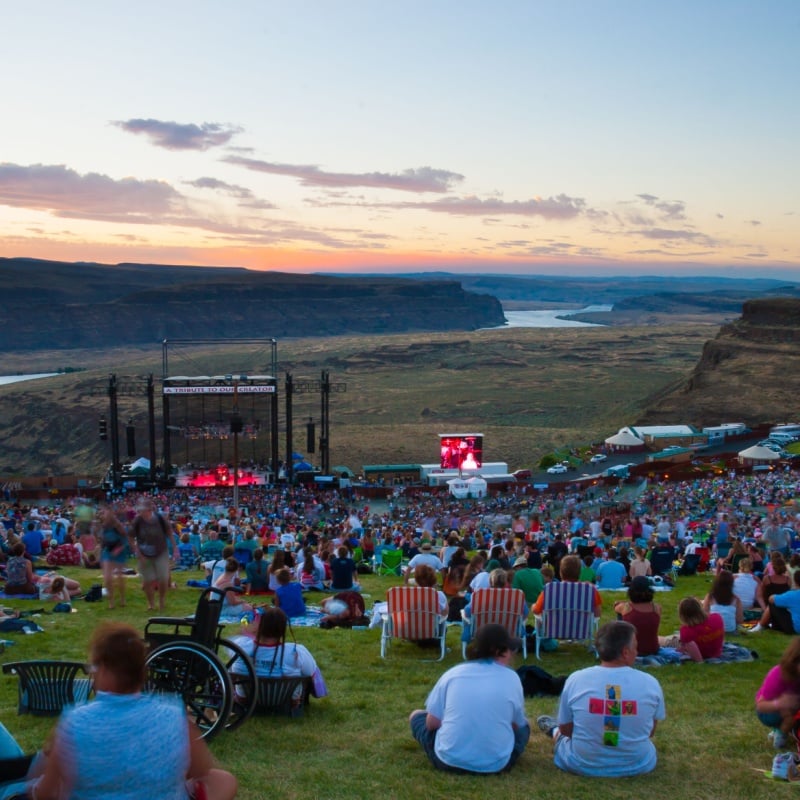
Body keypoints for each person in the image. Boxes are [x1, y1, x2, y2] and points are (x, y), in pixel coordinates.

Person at [27, 621, 237, 800]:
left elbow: (45, 793)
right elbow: (201, 770)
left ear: (105, 670)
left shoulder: (75, 722)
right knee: (223, 780)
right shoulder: (173, 715)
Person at [537, 620, 666, 777]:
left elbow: (566, 729)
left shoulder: (576, 679)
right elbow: (650, 731)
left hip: (582, 763)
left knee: (561, 735)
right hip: (637, 763)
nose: (637, 652)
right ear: (625, 652)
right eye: (635, 647)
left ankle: (553, 731)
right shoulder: (650, 683)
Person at [409, 623, 530, 774]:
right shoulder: (512, 678)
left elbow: (431, 723)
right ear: (499, 651)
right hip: (496, 764)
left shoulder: (453, 673)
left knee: (416, 715)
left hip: (448, 760)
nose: (512, 654)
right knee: (525, 727)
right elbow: (517, 724)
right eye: (510, 649)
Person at [128, 498, 178, 612]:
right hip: (144, 554)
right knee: (147, 580)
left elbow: (170, 533)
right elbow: (130, 537)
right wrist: (137, 552)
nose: (140, 513)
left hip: (161, 552)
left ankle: (161, 600)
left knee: (163, 578)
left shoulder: (160, 519)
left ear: (149, 510)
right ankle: (151, 604)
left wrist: (175, 548)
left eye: (142, 510)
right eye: (139, 510)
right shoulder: (137, 521)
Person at [755, 637, 800, 748]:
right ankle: (781, 733)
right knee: (789, 719)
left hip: (794, 705)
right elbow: (761, 706)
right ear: (794, 661)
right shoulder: (778, 674)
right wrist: (780, 703)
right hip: (771, 709)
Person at [662, 596, 724, 661]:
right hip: (715, 652)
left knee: (664, 640)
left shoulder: (686, 630)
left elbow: (698, 659)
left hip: (701, 653)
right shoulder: (717, 618)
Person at [613, 576, 662, 656]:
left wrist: (620, 603)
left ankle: (621, 640)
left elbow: (616, 608)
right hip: (653, 649)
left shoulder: (626, 607)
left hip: (630, 650)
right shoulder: (657, 608)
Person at [97, 503, 129, 610]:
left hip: (118, 550)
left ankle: (122, 598)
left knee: (120, 577)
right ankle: (111, 601)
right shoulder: (103, 525)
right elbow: (102, 541)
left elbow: (125, 538)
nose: (102, 514)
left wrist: (119, 549)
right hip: (107, 551)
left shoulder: (117, 525)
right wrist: (100, 554)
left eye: (104, 512)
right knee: (107, 578)